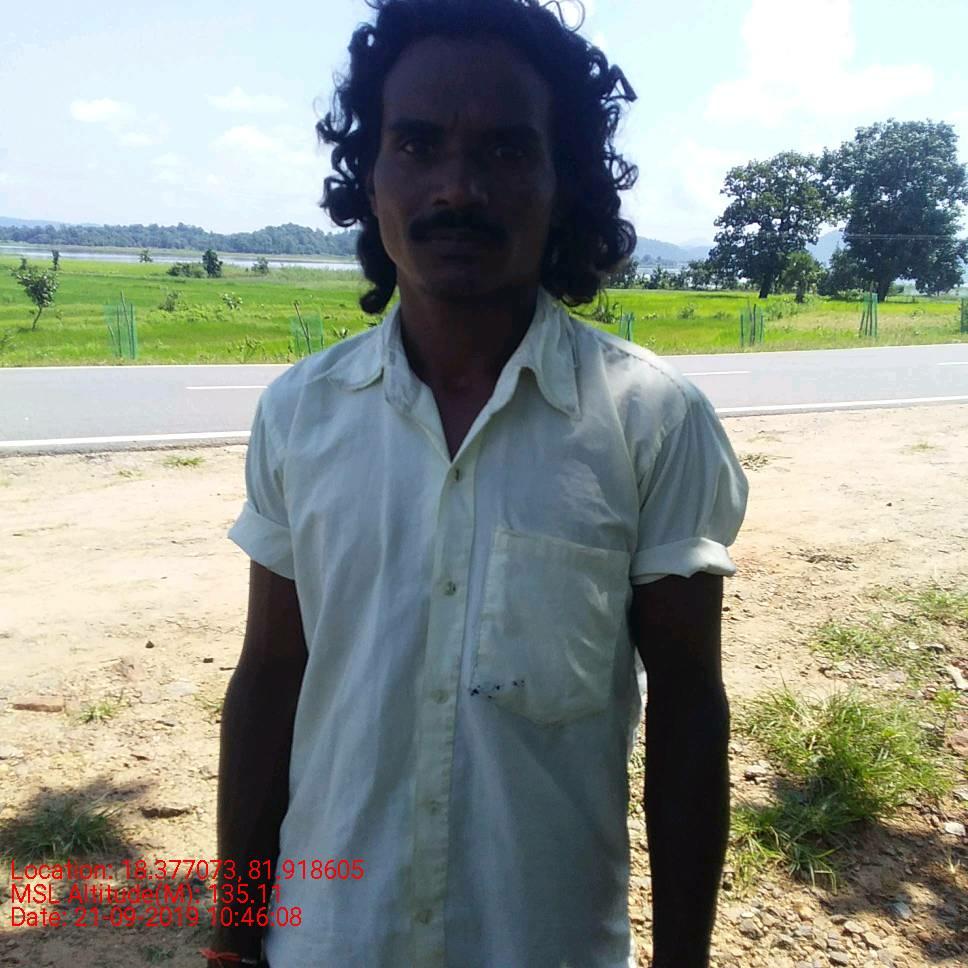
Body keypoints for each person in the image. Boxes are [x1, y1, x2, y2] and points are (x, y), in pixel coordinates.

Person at [208, 1, 749, 966]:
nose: (457, 187)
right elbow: (271, 677)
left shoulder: (651, 421)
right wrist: (233, 940)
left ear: (562, 180)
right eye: (416, 144)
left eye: (505, 149)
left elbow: (687, 707)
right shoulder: (300, 414)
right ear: (370, 175)